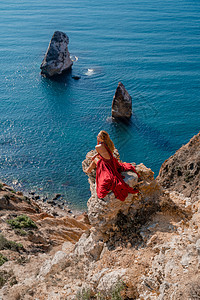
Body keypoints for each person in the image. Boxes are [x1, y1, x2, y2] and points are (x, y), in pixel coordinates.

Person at [85, 130, 140, 201]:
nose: (97, 136)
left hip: (106, 164)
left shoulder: (98, 146)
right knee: (95, 158)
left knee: (95, 161)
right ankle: (88, 170)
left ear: (101, 138)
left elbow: (99, 150)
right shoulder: (108, 143)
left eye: (98, 136)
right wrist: (96, 155)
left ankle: (88, 170)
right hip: (112, 161)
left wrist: (97, 145)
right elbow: (103, 152)